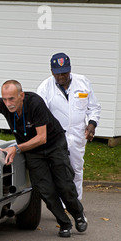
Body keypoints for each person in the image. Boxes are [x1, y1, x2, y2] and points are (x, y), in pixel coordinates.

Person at [0, 80, 87, 237]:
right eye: (4, 99)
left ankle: (78, 215)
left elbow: (42, 138)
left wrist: (17, 148)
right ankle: (64, 223)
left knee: (64, 184)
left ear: (21, 95)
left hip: (53, 144)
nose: (8, 104)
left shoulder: (35, 103)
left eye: (11, 99)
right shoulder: (3, 104)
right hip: (32, 150)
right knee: (45, 189)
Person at [37, 53, 101, 200]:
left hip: (77, 134)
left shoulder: (83, 82)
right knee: (58, 169)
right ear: (52, 71)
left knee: (76, 169)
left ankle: (75, 203)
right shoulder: (44, 87)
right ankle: (62, 203)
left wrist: (92, 124)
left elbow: (94, 107)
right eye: (58, 73)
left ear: (70, 69)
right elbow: (40, 113)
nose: (61, 77)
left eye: (65, 72)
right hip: (55, 136)